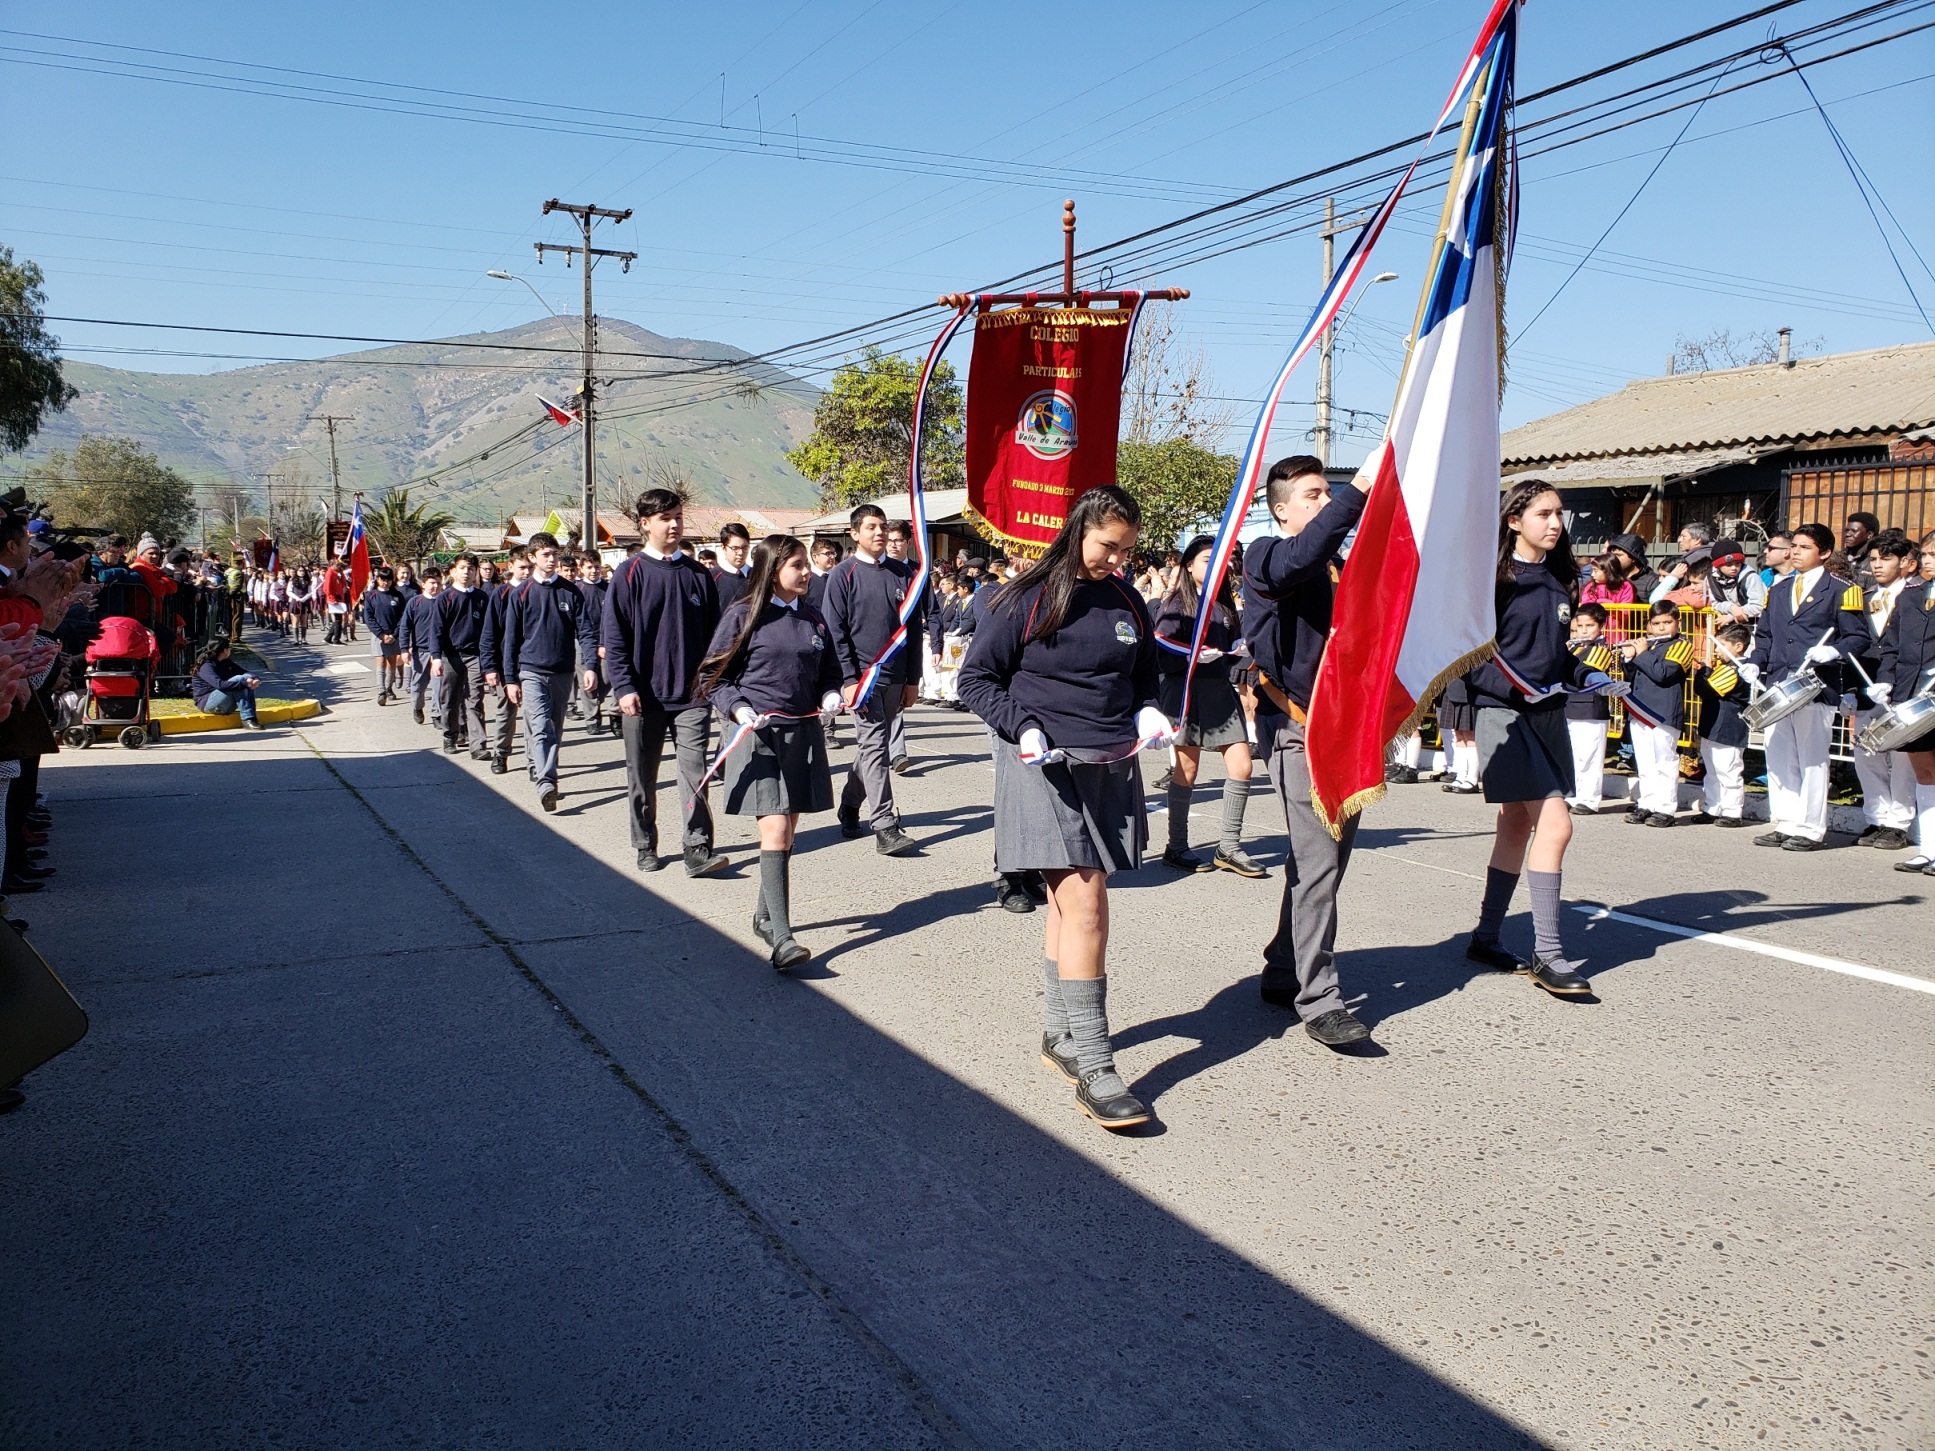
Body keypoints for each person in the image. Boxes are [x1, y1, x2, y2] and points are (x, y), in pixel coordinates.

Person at [958, 485, 1169, 1130]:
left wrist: (1149, 707)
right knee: (1085, 901)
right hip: (1042, 763)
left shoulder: (1127, 599)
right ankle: (1096, 1061)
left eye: (1127, 549)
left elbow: (1144, 673)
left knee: (1063, 901)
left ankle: (1059, 1033)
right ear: (1078, 530)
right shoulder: (1021, 599)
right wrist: (1019, 725)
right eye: (1108, 546)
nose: (1117, 560)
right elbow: (976, 678)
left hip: (1109, 762)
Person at [1465, 479, 1629, 996]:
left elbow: (1555, 656)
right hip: (1505, 717)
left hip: (1547, 715)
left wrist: (1588, 675)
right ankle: (1549, 953)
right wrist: (1518, 690)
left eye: (1560, 513)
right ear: (1514, 520)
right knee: (1556, 827)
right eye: (1543, 513)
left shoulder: (1561, 580)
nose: (1556, 523)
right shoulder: (1492, 580)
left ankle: (1487, 936)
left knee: (1516, 825)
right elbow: (1470, 660)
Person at [1241, 454, 1375, 1044]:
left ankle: (1282, 962)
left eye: (1330, 493)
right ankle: (1319, 997)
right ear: (1281, 509)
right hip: (1296, 725)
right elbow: (1301, 558)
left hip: (1345, 727)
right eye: (1314, 495)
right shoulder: (1266, 554)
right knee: (1320, 860)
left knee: (1325, 858)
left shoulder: (1338, 566)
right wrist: (1359, 491)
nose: (1325, 502)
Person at [696, 534, 845, 970]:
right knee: (776, 830)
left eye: (805, 565)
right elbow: (713, 677)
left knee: (787, 833)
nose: (805, 572)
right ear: (772, 568)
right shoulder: (743, 616)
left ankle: (764, 917)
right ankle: (782, 939)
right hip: (758, 737)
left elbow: (829, 673)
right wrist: (738, 708)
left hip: (802, 735)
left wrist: (833, 694)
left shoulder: (814, 619)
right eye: (797, 565)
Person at [602, 489, 728, 877]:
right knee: (642, 776)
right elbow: (616, 637)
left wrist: (713, 683)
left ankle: (697, 846)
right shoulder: (629, 574)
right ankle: (645, 842)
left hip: (691, 697)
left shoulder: (697, 575)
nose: (673, 525)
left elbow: (715, 637)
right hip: (643, 698)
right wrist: (623, 688)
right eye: (664, 518)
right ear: (645, 524)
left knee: (695, 773)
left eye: (677, 517)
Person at [1740, 522, 1869, 851]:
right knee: (1779, 755)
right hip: (1780, 683)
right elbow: (1766, 635)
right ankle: (1785, 821)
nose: (1795, 552)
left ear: (1824, 553)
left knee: (1812, 759)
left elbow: (1857, 636)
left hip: (1817, 685)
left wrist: (1834, 651)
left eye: (1804, 547)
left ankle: (1811, 828)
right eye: (1793, 546)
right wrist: (1756, 660)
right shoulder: (1779, 590)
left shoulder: (1842, 589)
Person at [1153, 534, 1264, 877]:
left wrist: (1241, 649)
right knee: (1186, 771)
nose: (1218, 565)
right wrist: (1191, 656)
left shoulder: (1224, 602)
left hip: (1218, 689)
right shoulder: (1176, 603)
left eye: (1223, 559)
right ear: (1188, 565)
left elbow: (1232, 644)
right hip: (1184, 689)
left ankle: (1229, 846)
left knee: (1243, 766)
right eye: (1207, 559)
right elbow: (1161, 645)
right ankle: (1176, 846)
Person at [824, 504, 921, 856]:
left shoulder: (903, 575)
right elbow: (836, 631)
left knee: (871, 748)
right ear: (855, 534)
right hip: (862, 680)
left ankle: (850, 803)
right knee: (875, 748)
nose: (879, 533)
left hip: (896, 677)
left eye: (882, 527)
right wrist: (848, 678)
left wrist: (914, 679)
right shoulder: (843, 575)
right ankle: (885, 824)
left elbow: (912, 628)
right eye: (870, 527)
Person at [500, 533, 600, 813]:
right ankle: (546, 783)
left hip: (563, 671)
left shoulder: (571, 591)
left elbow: (587, 632)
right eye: (545, 554)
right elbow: (510, 640)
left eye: (554, 553)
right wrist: (510, 679)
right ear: (532, 558)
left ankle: (543, 769)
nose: (552, 559)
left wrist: (590, 665)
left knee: (554, 728)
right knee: (541, 726)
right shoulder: (520, 594)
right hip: (531, 671)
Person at [1851, 530, 1921, 850]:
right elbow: (1857, 646)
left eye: (1886, 559)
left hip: (1904, 685)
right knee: (1866, 752)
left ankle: (1898, 822)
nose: (1877, 566)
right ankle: (1877, 816)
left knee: (1902, 757)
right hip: (1869, 685)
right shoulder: (1864, 599)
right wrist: (1849, 689)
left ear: (1906, 562)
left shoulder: (1917, 596)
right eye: (1874, 559)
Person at [1872, 529, 1935, 875]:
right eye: (1925, 554)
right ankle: (1929, 848)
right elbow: (1892, 646)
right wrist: (1886, 681)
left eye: (1934, 555)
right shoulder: (1911, 598)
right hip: (1913, 695)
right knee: (1924, 772)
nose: (1927, 561)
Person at [1616, 601, 1696, 826]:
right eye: (1656, 623)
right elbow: (1632, 677)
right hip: (1640, 710)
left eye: (1667, 622)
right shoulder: (1649, 647)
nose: (1661, 628)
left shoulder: (1681, 645)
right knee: (1645, 762)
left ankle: (1665, 809)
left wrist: (1641, 654)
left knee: (1665, 761)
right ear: (1648, 625)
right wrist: (1629, 658)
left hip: (1663, 712)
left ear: (1677, 623)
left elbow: (1663, 674)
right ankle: (1647, 803)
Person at [1692, 622, 1754, 827]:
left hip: (1728, 727)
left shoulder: (1736, 669)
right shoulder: (1727, 667)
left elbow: (1707, 689)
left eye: (1721, 645)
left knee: (1728, 770)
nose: (1717, 650)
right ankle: (1713, 806)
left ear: (1738, 646)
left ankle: (1732, 811)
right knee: (1712, 769)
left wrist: (1704, 672)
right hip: (1713, 725)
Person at [430, 554, 491, 756]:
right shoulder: (444, 598)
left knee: (475, 699)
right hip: (451, 656)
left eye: (471, 568)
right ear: (453, 571)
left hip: (476, 656)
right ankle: (450, 735)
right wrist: (436, 658)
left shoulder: (482, 598)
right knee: (451, 698)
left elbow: (490, 630)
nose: (467, 572)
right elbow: (436, 630)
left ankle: (478, 745)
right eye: (463, 568)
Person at [1563, 603, 1617, 815]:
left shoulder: (1602, 649)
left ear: (1601, 626)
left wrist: (1566, 656)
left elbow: (1588, 671)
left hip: (1591, 710)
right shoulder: (1574, 647)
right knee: (1572, 755)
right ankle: (1572, 794)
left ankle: (1589, 798)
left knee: (1589, 756)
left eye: (1590, 625)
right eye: (1579, 627)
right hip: (1569, 706)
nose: (1584, 631)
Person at [883, 520, 918, 775]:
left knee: (896, 708)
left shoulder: (917, 573)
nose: (893, 545)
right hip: (873, 657)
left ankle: (898, 754)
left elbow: (929, 613)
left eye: (898, 540)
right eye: (890, 540)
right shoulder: (876, 571)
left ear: (908, 542)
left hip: (903, 652)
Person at [399, 568, 443, 726]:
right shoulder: (415, 602)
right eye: (432, 583)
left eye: (438, 583)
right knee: (417, 686)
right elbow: (405, 627)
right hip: (420, 651)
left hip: (439, 652)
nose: (436, 587)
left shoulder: (444, 601)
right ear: (423, 584)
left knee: (439, 685)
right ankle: (417, 707)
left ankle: (437, 714)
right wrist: (404, 648)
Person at [191, 640, 264, 729]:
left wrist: (255, 679)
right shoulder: (206, 666)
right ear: (225, 650)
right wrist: (245, 684)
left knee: (244, 677)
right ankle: (247, 720)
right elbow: (220, 685)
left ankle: (252, 718)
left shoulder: (225, 662)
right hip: (208, 703)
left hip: (224, 703)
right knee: (239, 680)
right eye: (229, 648)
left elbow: (244, 672)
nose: (230, 650)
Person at [361, 566, 408, 705]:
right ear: (378, 579)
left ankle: (389, 688)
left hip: (394, 634)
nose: (385, 583)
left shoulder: (397, 596)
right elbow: (368, 617)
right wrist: (381, 634)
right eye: (382, 580)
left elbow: (403, 616)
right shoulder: (371, 596)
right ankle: (381, 690)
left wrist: (394, 634)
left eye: (388, 580)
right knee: (380, 661)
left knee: (392, 662)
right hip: (378, 635)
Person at [1705, 538, 1766, 623]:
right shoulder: (1712, 579)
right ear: (1718, 565)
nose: (1734, 568)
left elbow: (1758, 606)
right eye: (1728, 565)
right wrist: (1731, 607)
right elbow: (1715, 604)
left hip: (1754, 623)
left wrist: (1732, 616)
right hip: (1727, 625)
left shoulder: (1750, 577)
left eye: (1737, 563)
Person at [1605, 532, 1658, 602]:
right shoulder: (1606, 576)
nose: (1614, 559)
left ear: (1634, 557)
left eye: (1619, 555)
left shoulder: (1652, 581)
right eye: (1613, 555)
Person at [715, 523, 753, 611]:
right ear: (723, 548)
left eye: (745, 548)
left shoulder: (758, 576)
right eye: (735, 548)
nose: (740, 553)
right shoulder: (712, 577)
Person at [1842, 511, 1880, 587]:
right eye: (1847, 531)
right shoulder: (1840, 558)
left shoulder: (1877, 560)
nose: (1848, 534)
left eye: (1854, 531)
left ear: (1869, 534)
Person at [320, 558, 352, 644]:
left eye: (339, 565)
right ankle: (336, 639)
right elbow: (327, 588)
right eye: (337, 565)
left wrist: (341, 573)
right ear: (331, 565)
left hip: (339, 597)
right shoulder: (330, 573)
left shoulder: (337, 573)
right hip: (334, 598)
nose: (339, 567)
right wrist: (332, 598)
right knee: (338, 619)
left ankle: (328, 638)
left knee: (338, 619)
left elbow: (343, 583)